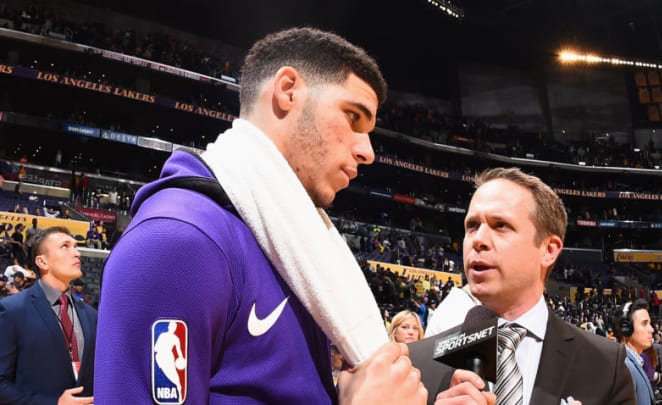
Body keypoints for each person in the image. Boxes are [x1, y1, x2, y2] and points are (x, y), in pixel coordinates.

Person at [95, 27, 429, 404]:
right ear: (288, 90)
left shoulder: (292, 243)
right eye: (353, 116)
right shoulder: (178, 240)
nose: (367, 150)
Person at [426, 167, 635, 405]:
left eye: (500, 225)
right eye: (472, 226)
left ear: (548, 250)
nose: (478, 240)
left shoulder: (605, 365)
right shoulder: (423, 363)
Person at [0, 226, 97, 404]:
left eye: (75, 246)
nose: (76, 253)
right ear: (42, 262)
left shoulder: (91, 315)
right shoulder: (12, 310)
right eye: (65, 246)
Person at [614, 299, 655, 405]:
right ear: (626, 328)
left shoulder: (631, 363)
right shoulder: (625, 367)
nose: (652, 329)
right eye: (644, 324)